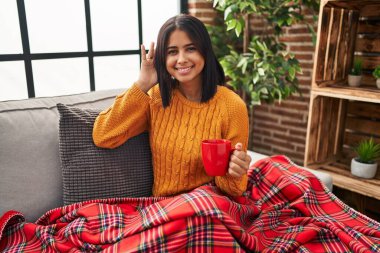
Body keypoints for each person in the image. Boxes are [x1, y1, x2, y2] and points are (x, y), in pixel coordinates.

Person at [92, 14, 251, 197]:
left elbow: (234, 190)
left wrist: (235, 172)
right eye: (172, 52)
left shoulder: (232, 106)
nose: (181, 59)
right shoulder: (157, 98)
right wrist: (142, 84)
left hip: (208, 206)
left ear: (204, 51)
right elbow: (103, 135)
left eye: (190, 49)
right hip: (165, 210)